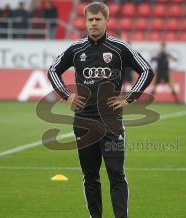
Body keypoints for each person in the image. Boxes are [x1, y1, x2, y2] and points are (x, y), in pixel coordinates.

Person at [47, 2, 154, 218]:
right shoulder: (76, 49)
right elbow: (52, 69)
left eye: (98, 19)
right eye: (90, 19)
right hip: (84, 123)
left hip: (111, 123)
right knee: (90, 176)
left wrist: (129, 98)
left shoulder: (119, 48)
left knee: (116, 174)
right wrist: (67, 95)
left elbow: (146, 70)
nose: (94, 23)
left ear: (106, 21)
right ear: (85, 21)